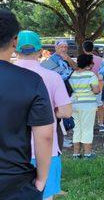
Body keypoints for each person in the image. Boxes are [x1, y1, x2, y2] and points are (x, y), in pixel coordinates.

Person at [0, 10, 54, 199]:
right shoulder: (31, 81)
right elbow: (45, 136)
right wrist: (42, 179)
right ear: (15, 41)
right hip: (16, 183)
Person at [15, 31, 73, 200]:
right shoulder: (52, 77)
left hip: (11, 151)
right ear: (40, 51)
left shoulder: (5, 76)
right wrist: (47, 111)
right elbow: (66, 111)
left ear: (15, 50)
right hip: (46, 151)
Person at [69, 54, 100, 159]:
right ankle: (87, 153)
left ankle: (76, 154)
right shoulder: (91, 75)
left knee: (77, 129)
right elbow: (96, 91)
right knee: (87, 128)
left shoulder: (72, 74)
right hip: (88, 104)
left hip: (74, 104)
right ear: (88, 64)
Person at [82, 40, 104, 133]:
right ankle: (101, 124)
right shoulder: (99, 59)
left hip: (85, 86)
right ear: (92, 48)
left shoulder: (81, 58)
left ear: (84, 49)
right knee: (100, 106)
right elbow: (102, 74)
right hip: (98, 85)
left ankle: (88, 124)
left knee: (87, 106)